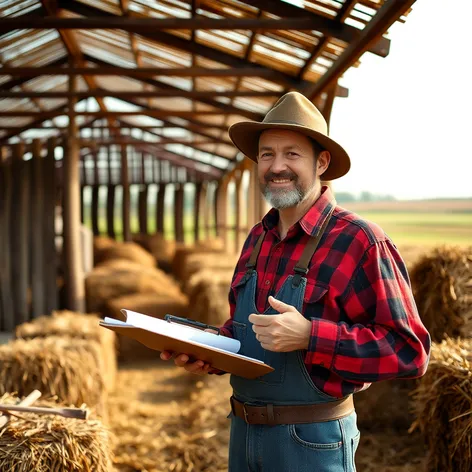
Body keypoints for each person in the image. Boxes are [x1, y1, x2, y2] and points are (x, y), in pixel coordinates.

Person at [161, 91, 431, 471]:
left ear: (321, 162)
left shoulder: (360, 240)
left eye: (292, 154)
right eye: (267, 154)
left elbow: (410, 350)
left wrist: (310, 336)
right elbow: (248, 333)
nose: (277, 166)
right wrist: (210, 352)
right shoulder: (258, 237)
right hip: (242, 433)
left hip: (311, 442)